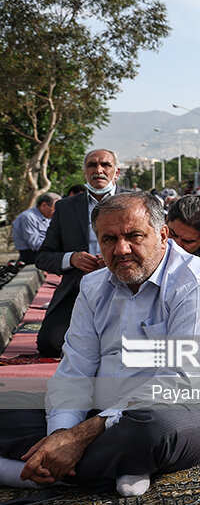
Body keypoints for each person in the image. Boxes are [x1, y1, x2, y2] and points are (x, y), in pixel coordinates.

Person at [0, 192, 200, 497]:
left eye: (134, 236)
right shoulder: (93, 285)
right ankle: (113, 464)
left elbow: (182, 381)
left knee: (152, 430)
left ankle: (27, 473)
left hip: (194, 407)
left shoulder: (197, 285)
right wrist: (61, 434)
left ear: (162, 235)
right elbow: (76, 369)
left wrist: (81, 435)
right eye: (109, 239)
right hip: (104, 407)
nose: (121, 249)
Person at [35, 149, 123, 358]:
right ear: (84, 172)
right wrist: (72, 258)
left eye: (105, 165)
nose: (98, 170)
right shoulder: (65, 208)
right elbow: (43, 257)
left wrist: (116, 260)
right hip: (78, 288)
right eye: (92, 165)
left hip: (125, 288)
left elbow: (153, 250)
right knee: (50, 344)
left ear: (116, 172)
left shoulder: (136, 203)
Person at [12, 191, 59, 263]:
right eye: (54, 209)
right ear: (44, 205)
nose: (56, 213)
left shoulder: (48, 217)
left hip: (47, 251)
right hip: (32, 255)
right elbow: (35, 244)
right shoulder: (28, 217)